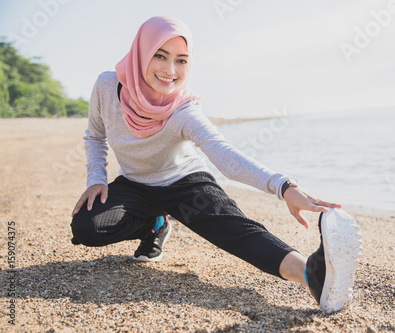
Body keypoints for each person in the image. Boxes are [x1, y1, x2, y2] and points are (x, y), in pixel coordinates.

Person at [70, 16, 362, 314]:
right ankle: (155, 226)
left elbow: (226, 156)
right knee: (86, 227)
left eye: (181, 61)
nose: (170, 70)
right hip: (136, 186)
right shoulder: (107, 86)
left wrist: (284, 186)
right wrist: (97, 179)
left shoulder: (184, 110)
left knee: (235, 229)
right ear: (141, 52)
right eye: (160, 55)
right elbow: (95, 136)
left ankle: (313, 274)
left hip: (183, 183)